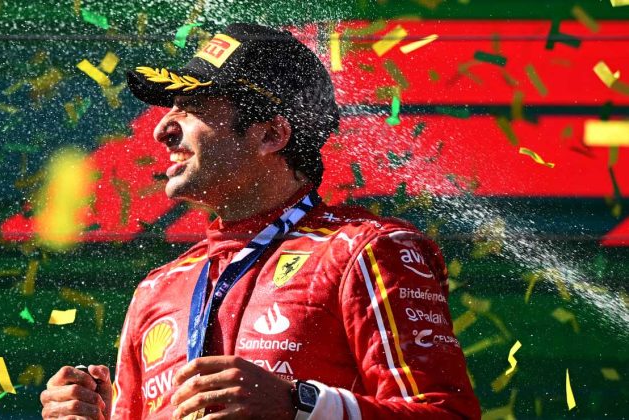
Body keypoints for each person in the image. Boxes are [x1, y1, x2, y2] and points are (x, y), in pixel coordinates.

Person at [41, 23, 480, 420]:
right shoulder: (157, 289)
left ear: (271, 134)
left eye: (191, 107)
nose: (162, 129)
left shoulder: (365, 251)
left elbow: (448, 415)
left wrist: (300, 406)